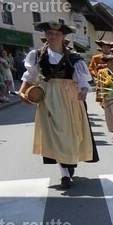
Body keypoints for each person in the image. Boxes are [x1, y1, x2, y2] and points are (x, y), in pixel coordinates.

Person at [19, 20, 99, 190]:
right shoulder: (37, 55)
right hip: (48, 97)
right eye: (50, 33)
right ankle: (64, 173)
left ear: (63, 36)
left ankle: (69, 163)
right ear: (45, 35)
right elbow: (29, 76)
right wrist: (22, 92)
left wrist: (84, 90)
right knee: (55, 134)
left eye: (57, 34)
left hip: (70, 97)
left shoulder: (74, 58)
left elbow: (83, 81)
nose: (53, 36)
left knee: (70, 134)